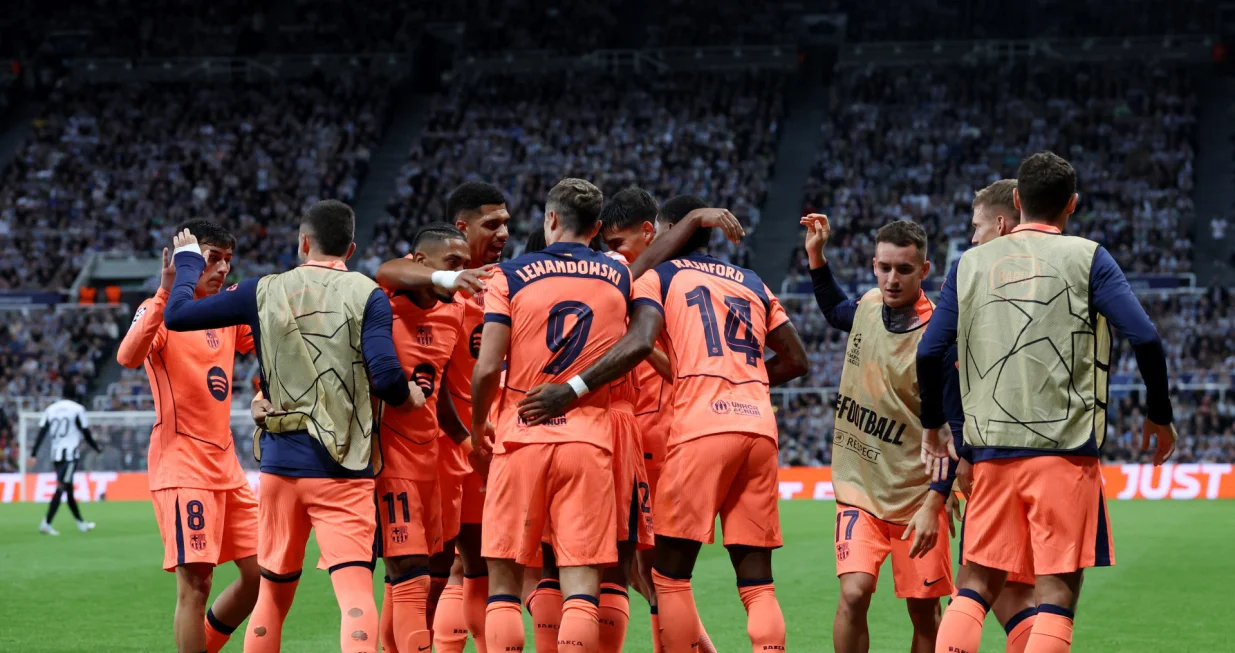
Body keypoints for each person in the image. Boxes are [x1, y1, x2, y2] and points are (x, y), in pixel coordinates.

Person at [517, 194, 808, 653]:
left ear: (662, 232)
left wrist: (570, 388)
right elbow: (797, 358)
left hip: (665, 430)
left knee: (657, 576)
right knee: (757, 583)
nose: (618, 252)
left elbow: (636, 342)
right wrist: (743, 379)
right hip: (756, 425)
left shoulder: (654, 276)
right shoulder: (753, 281)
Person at [919, 152, 1178, 653]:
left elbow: (930, 350)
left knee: (975, 586)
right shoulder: (1090, 257)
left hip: (990, 454)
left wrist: (934, 425)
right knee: (1055, 596)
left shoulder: (968, 264)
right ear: (1072, 205)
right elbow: (1145, 338)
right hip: (1065, 453)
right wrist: (1159, 415)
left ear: (1016, 201)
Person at [164, 199, 425, 653]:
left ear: (304, 242)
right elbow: (384, 373)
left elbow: (178, 316)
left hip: (282, 467)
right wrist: (410, 397)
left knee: (272, 591)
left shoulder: (262, 290)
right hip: (345, 467)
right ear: (351, 246)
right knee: (355, 593)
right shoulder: (368, 293)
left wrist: (187, 262)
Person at [470, 178, 628, 653]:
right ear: (598, 227)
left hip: (520, 436)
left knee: (503, 584)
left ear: (550, 219)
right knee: (581, 585)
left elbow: (485, 369)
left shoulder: (509, 275)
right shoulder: (619, 273)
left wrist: (480, 424)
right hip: (588, 439)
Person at [802, 215, 953, 653]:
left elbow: (950, 431)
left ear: (924, 271)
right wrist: (817, 257)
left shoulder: (938, 337)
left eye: (904, 269)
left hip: (915, 498)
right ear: (873, 265)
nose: (892, 279)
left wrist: (937, 498)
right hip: (859, 490)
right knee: (853, 593)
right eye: (884, 267)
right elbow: (835, 310)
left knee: (924, 612)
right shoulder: (868, 305)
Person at [375, 181, 510, 653]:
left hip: (460, 450)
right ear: (462, 227)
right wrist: (449, 278)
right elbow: (387, 270)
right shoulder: (399, 295)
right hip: (413, 453)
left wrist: (474, 436)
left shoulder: (484, 291)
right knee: (446, 570)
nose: (503, 232)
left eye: (506, 224)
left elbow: (455, 383)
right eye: (492, 223)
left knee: (444, 571)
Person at [116, 219, 260, 653]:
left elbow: (270, 349)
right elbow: (127, 356)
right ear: (185, 263)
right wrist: (165, 292)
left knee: (263, 574)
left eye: (226, 261)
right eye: (211, 259)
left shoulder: (227, 315)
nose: (220, 270)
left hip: (228, 468)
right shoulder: (158, 309)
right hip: (182, 467)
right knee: (196, 585)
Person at [593, 187, 717, 653]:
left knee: (647, 571)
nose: (612, 256)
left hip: (656, 436)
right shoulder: (669, 279)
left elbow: (674, 360)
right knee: (649, 573)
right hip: (653, 433)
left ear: (650, 234)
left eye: (619, 244)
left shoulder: (655, 281)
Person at [373, 223, 478, 653]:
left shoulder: (454, 312)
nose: (461, 275)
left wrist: (469, 443)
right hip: (389, 462)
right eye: (453, 264)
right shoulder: (381, 304)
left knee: (430, 579)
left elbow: (442, 395)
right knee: (411, 575)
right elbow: (387, 269)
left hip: (433, 461)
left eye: (465, 267)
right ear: (422, 263)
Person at [955, 179, 1039, 652]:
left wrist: (955, 448)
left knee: (973, 584)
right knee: (1019, 591)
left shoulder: (974, 278)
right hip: (1054, 457)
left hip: (991, 453)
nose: (972, 239)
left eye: (977, 228)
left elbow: (942, 362)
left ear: (1003, 223)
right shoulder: (1058, 273)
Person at [31, 382, 100, 536]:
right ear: (75, 394)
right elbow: (85, 431)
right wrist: (96, 448)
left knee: (68, 491)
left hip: (56, 455)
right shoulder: (77, 409)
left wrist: (33, 453)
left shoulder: (51, 409)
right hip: (69, 455)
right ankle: (46, 523)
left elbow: (42, 433)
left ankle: (81, 524)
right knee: (62, 487)